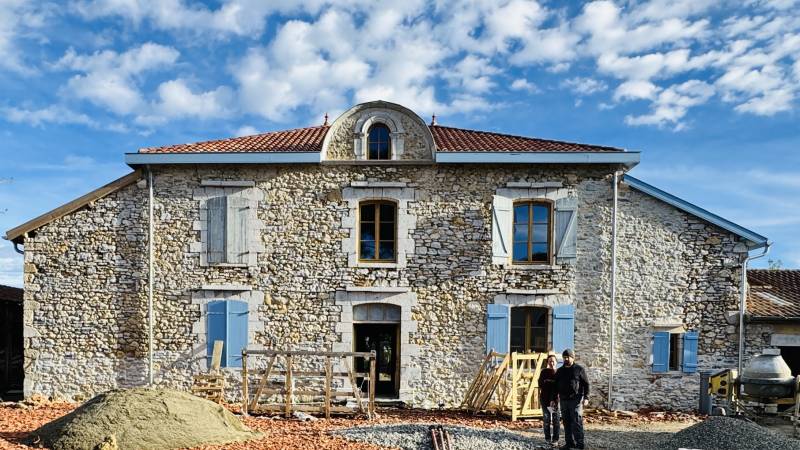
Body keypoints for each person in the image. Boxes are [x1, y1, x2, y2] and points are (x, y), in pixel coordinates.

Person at [552, 348, 589, 450]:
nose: (566, 359)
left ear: (573, 358)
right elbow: (555, 386)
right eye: (564, 357)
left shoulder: (579, 369)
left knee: (576, 421)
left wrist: (586, 397)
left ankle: (579, 444)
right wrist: (553, 399)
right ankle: (569, 443)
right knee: (566, 422)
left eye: (568, 357)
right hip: (564, 400)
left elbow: (586, 384)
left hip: (576, 400)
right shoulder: (560, 371)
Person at [538, 353, 560, 446]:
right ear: (547, 362)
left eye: (553, 361)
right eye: (550, 361)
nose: (552, 363)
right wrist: (549, 383)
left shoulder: (559, 372)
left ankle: (555, 439)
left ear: (556, 362)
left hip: (554, 401)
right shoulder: (544, 372)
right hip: (545, 399)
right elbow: (540, 384)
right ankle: (547, 438)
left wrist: (548, 382)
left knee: (555, 420)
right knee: (546, 419)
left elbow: (558, 387)